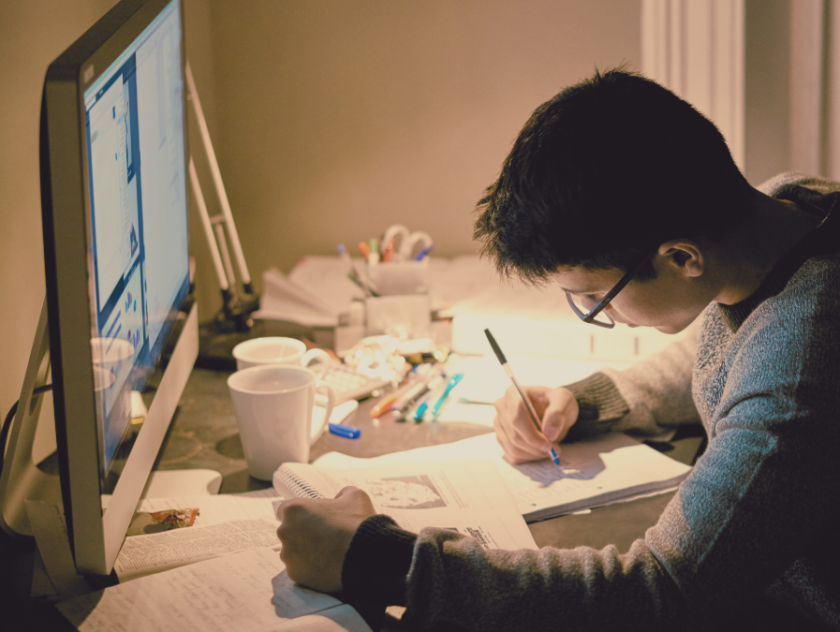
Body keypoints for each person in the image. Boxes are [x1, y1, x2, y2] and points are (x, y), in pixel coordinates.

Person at [276, 69, 840, 631]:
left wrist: (380, 561)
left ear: (681, 258)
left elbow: (660, 593)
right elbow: (732, 345)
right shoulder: (789, 207)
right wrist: (590, 400)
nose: (600, 314)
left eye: (595, 297)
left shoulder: (799, 374)